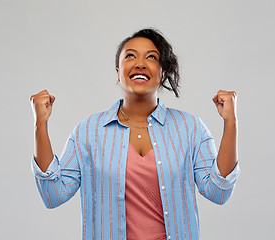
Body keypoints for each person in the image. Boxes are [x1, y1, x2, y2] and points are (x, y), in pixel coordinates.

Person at [30, 28, 240, 240]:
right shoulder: (89, 130)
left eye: (151, 57)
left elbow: (218, 191)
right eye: (130, 56)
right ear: (118, 71)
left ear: (163, 72)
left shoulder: (190, 127)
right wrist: (41, 124)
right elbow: (53, 194)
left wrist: (230, 123)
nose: (140, 63)